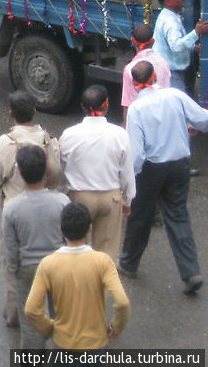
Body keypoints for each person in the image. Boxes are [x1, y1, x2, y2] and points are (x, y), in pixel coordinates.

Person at [119, 61, 208, 294]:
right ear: (155, 76)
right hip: (179, 165)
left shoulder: (137, 109)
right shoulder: (174, 96)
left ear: (134, 84)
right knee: (178, 215)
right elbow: (203, 120)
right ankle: (191, 271)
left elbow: (136, 153)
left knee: (140, 216)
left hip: (152, 168)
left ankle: (129, 264)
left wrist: (132, 179)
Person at [0, 90, 63, 326]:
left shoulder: (6, 143)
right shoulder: (49, 139)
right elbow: (56, 176)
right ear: (35, 111)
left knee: (14, 264)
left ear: (11, 115)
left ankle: (15, 314)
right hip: (47, 209)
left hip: (16, 210)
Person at [26, 203, 131, 349]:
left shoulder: (48, 264)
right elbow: (122, 302)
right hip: (96, 344)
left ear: (61, 228)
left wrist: (50, 329)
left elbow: (31, 309)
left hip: (63, 343)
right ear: (89, 228)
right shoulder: (103, 261)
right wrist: (115, 328)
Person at [58, 85, 136, 264]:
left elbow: (59, 164)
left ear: (83, 107)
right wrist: (128, 201)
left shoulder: (70, 135)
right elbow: (126, 172)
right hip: (111, 198)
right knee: (106, 256)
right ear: (106, 105)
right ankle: (100, 288)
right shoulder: (120, 135)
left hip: (78, 198)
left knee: (75, 252)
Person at [3, 145, 71, 349]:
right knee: (62, 316)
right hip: (58, 265)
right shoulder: (62, 202)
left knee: (30, 320)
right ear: (46, 171)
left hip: (28, 269)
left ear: (21, 173)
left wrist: (14, 270)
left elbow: (11, 247)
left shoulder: (12, 208)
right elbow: (69, 237)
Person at [152, 0, 208, 91]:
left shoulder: (170, 16)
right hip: (172, 73)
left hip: (170, 70)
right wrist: (196, 32)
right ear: (168, 2)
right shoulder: (170, 22)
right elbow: (176, 46)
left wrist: (193, 48)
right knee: (178, 103)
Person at [121, 24, 171, 113]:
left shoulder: (129, 69)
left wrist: (126, 126)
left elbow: (127, 104)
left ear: (133, 41)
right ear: (153, 41)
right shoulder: (164, 63)